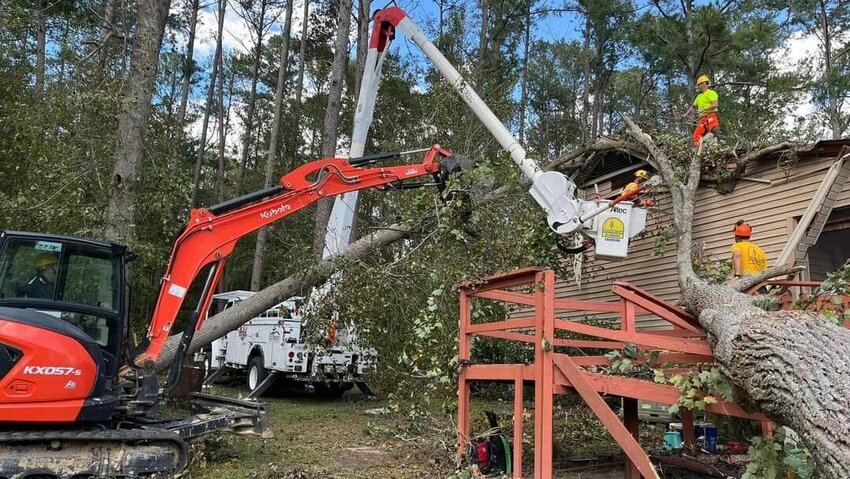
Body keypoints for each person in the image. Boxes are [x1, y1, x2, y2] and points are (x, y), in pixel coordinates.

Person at [683, 75, 720, 146]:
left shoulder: (711, 93)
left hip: (711, 115)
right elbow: (693, 106)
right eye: (698, 85)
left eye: (700, 84)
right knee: (696, 136)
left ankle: (719, 146)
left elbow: (715, 104)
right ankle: (698, 150)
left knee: (715, 132)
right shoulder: (699, 96)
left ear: (705, 84)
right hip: (702, 119)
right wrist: (686, 114)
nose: (699, 86)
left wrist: (702, 110)